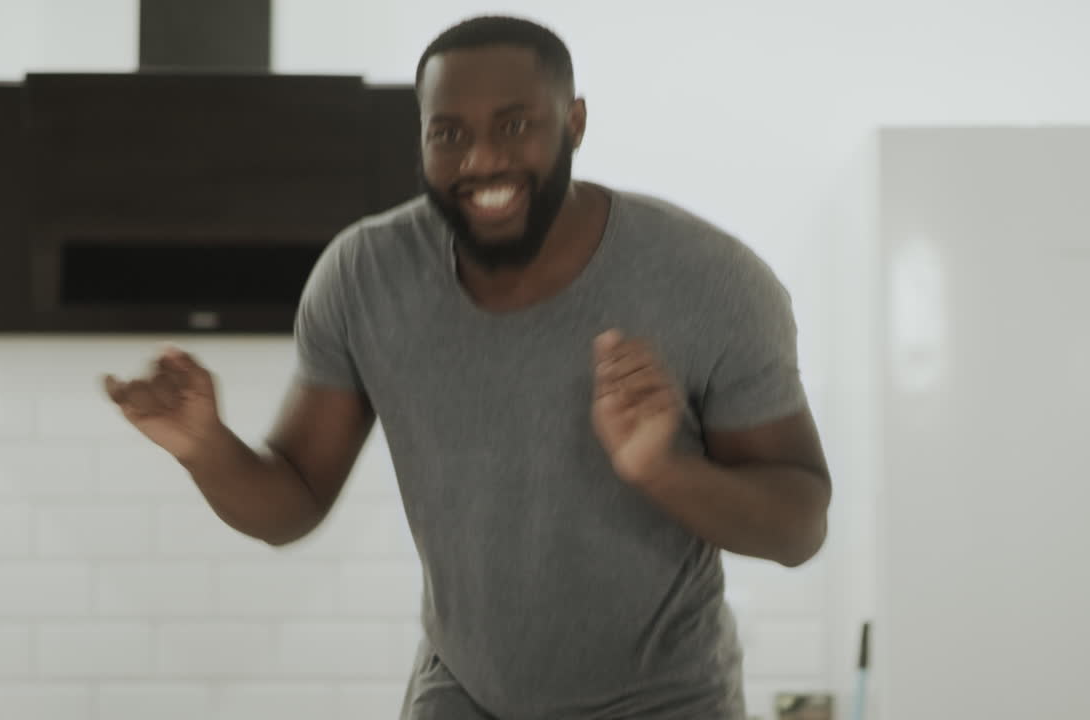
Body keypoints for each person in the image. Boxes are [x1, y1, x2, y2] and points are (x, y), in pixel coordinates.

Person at [103, 15, 831, 720]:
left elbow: (800, 526)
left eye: (516, 125)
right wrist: (204, 446)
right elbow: (291, 502)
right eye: (448, 134)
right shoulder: (364, 276)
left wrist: (664, 470)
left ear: (574, 123)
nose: (481, 160)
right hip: (463, 695)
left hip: (665, 701)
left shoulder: (709, 281)